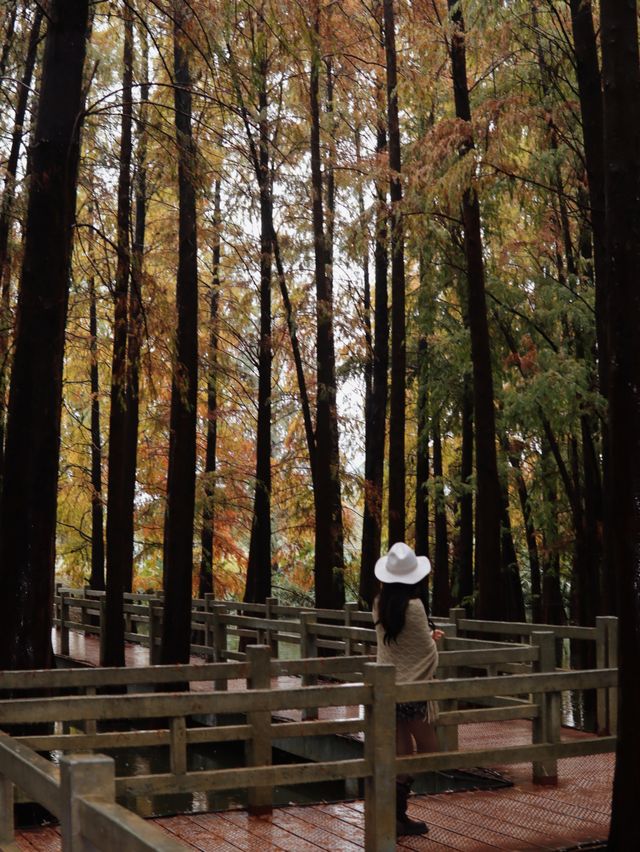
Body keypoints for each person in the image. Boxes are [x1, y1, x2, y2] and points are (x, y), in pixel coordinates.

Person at [372, 541, 445, 837]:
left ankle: (395, 817)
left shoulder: (379, 604)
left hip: (389, 691)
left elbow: (396, 643)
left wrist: (426, 635)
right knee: (430, 750)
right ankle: (396, 812)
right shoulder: (415, 606)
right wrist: (430, 640)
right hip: (413, 693)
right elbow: (423, 651)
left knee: (402, 752)